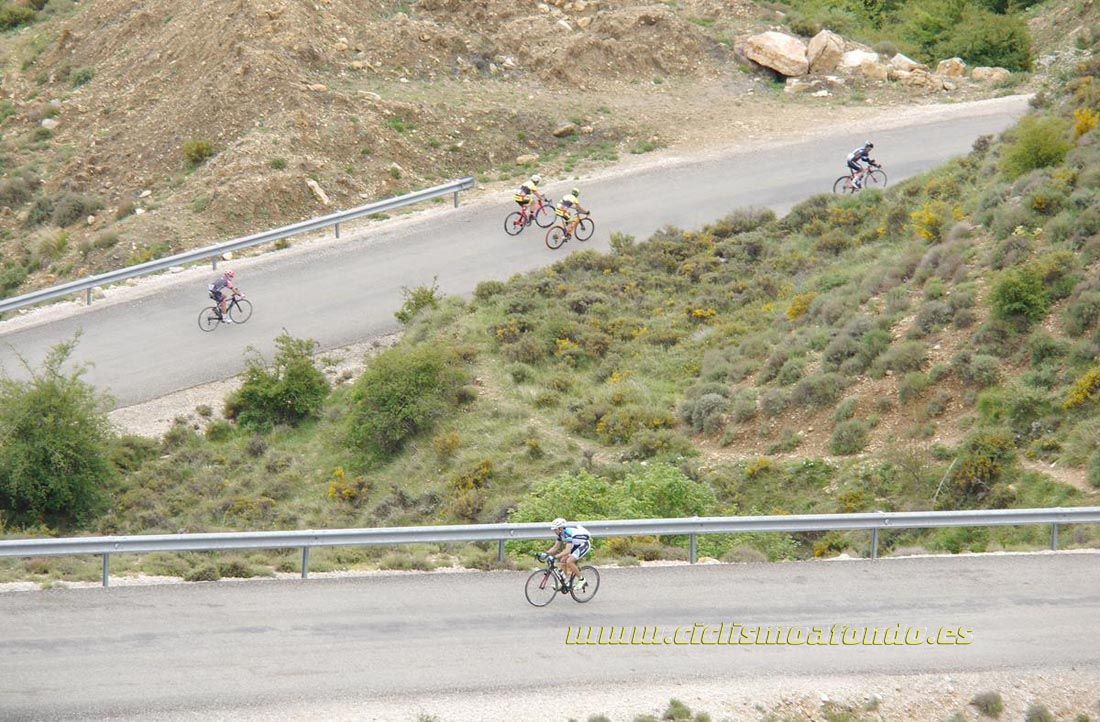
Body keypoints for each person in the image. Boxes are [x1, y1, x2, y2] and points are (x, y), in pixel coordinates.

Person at [547, 517, 592, 591]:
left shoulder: (567, 534)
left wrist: (555, 557)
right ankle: (564, 582)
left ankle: (582, 580)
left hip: (584, 544)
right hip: (576, 544)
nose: (554, 531)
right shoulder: (560, 534)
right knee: (563, 560)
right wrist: (545, 554)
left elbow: (567, 551)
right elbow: (555, 548)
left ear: (560, 528)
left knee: (569, 561)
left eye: (555, 529)